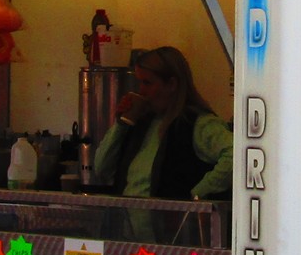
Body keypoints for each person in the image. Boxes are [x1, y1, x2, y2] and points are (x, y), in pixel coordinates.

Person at [91, 46, 235, 201]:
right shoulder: (142, 123)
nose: (141, 91)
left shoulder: (198, 124)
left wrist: (197, 195)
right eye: (139, 83)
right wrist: (122, 124)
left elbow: (236, 155)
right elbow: (101, 168)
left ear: (171, 84)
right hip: (130, 222)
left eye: (147, 83)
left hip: (171, 223)